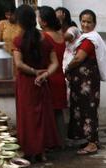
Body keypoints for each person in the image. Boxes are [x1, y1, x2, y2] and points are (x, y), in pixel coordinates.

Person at [11, 4, 59, 161]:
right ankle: (42, 152)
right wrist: (44, 74)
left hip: (26, 83)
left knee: (28, 117)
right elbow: (55, 63)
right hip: (41, 83)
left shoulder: (19, 40)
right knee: (42, 117)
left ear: (20, 22)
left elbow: (19, 64)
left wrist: (33, 72)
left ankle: (29, 151)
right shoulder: (45, 38)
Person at [66, 9, 106, 156]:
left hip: (86, 84)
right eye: (83, 21)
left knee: (88, 110)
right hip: (85, 83)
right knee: (87, 109)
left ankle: (92, 143)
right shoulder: (87, 37)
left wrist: (67, 68)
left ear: (94, 23)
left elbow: (78, 58)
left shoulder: (89, 40)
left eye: (89, 22)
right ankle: (90, 140)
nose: (85, 24)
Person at [37, 6, 66, 145]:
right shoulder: (61, 35)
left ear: (44, 22)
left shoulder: (45, 37)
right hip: (60, 76)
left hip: (49, 76)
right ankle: (61, 141)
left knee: (47, 112)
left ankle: (50, 142)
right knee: (58, 112)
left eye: (39, 18)